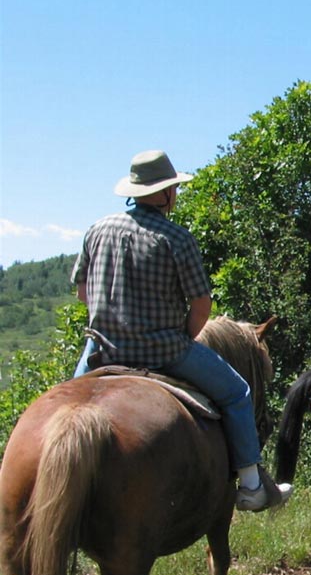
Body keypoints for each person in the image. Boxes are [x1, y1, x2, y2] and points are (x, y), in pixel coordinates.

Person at [72, 149, 292, 511]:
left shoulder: (98, 229)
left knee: (58, 404)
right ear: (165, 193)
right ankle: (252, 484)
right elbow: (201, 304)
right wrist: (183, 340)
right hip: (163, 350)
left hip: (102, 350)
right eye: (173, 188)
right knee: (237, 392)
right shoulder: (176, 238)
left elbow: (83, 292)